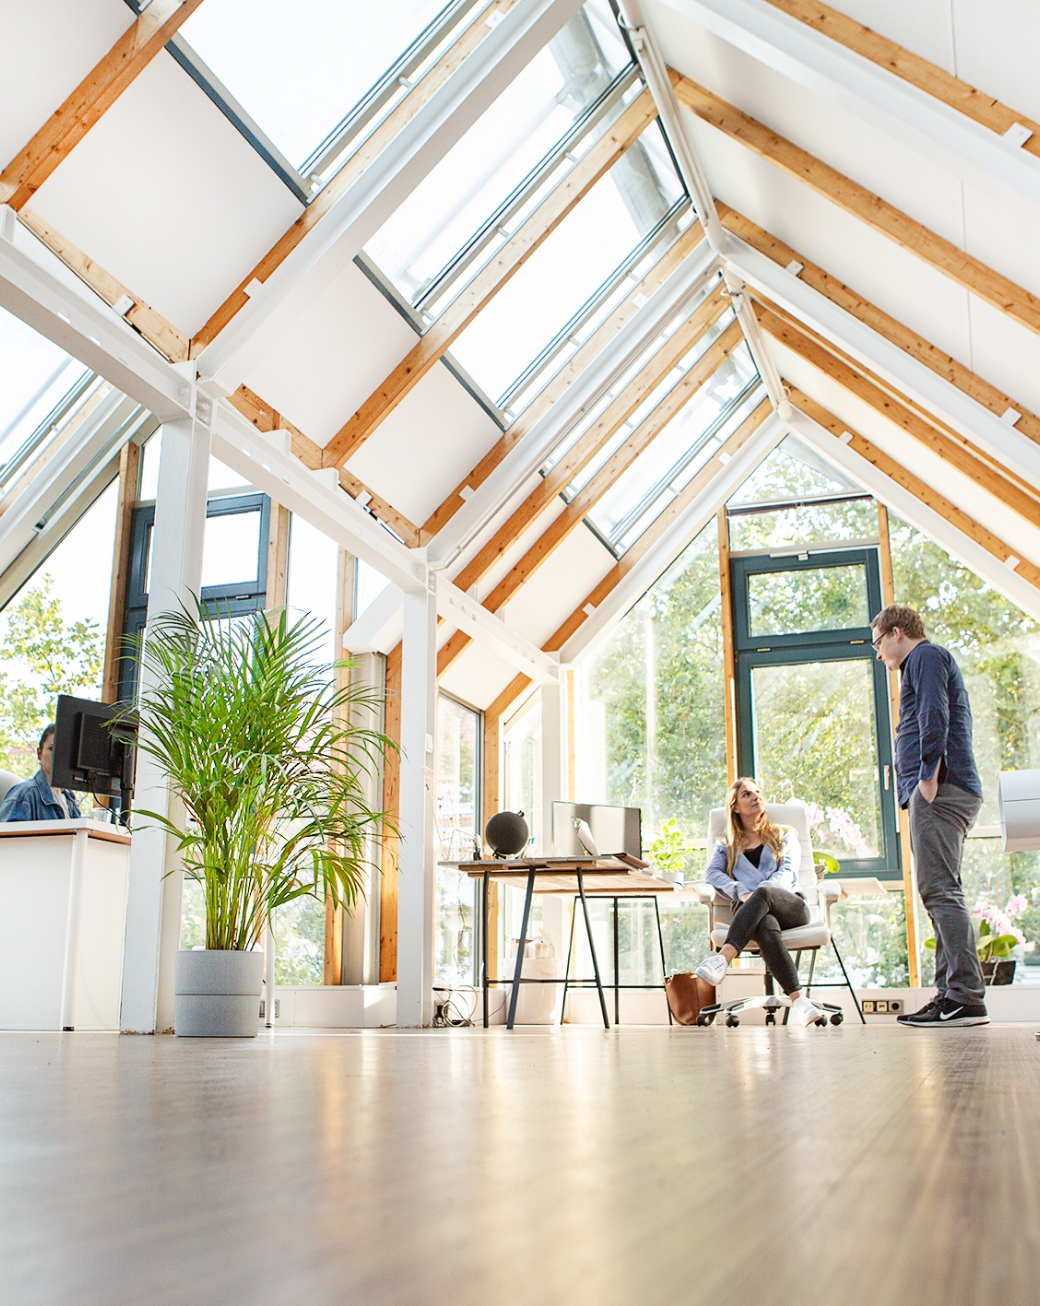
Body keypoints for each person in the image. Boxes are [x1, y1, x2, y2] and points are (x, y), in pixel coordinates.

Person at [871, 604, 987, 1028]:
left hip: (941, 790)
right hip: (943, 791)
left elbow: (933, 713)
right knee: (940, 892)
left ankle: (965, 996)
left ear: (897, 633)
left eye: (878, 641)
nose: (878, 652)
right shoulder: (923, 661)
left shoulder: (925, 656)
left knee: (939, 892)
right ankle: (950, 996)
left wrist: (927, 775)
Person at [694, 778, 823, 1028]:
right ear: (735, 807)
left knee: (763, 894)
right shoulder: (726, 846)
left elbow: (787, 872)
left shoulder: (784, 834)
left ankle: (723, 959)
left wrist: (757, 893)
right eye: (746, 794)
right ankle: (800, 1001)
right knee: (765, 923)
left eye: (757, 792)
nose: (755, 797)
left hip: (791, 907)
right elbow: (712, 874)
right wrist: (740, 891)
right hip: (754, 915)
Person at [0, 724, 81, 822]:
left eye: (63, 750)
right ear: (39, 754)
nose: (57, 755)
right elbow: (7, 835)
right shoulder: (25, 794)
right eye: (51, 749)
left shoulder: (70, 798)